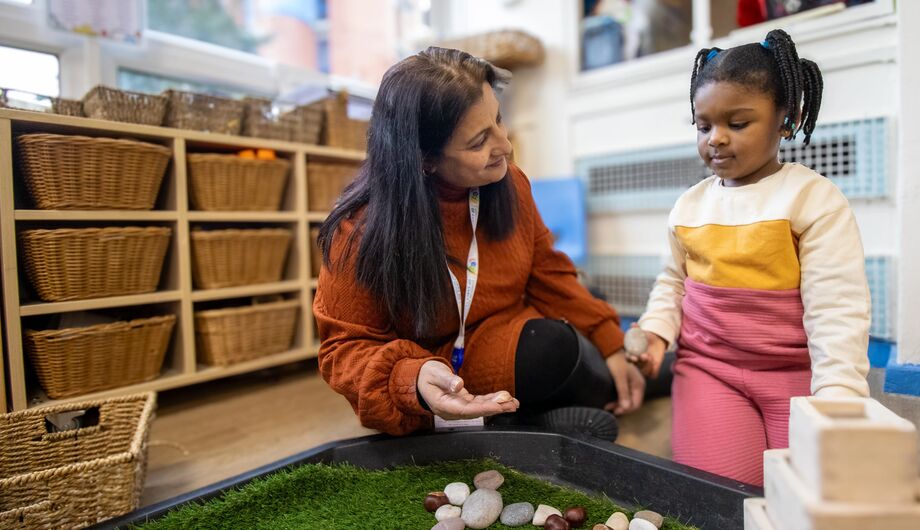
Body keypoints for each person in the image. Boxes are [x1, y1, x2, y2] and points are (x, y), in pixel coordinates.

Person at [314, 47, 646, 438]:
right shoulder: (359, 230)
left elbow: (549, 271)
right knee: (552, 347)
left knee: (587, 298)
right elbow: (344, 349)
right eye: (478, 142)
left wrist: (611, 343)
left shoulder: (511, 182)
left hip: (504, 325)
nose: (505, 146)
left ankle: (524, 419)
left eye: (500, 120)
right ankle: (618, 387)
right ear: (424, 158)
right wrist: (412, 377)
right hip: (442, 367)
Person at [629, 29, 871, 486]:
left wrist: (838, 394)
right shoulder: (689, 206)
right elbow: (674, 282)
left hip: (794, 373)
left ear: (786, 118)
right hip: (709, 371)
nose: (716, 139)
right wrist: (658, 331)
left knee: (807, 490)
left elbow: (838, 307)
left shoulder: (813, 199)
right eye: (703, 126)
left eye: (737, 124)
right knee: (718, 493)